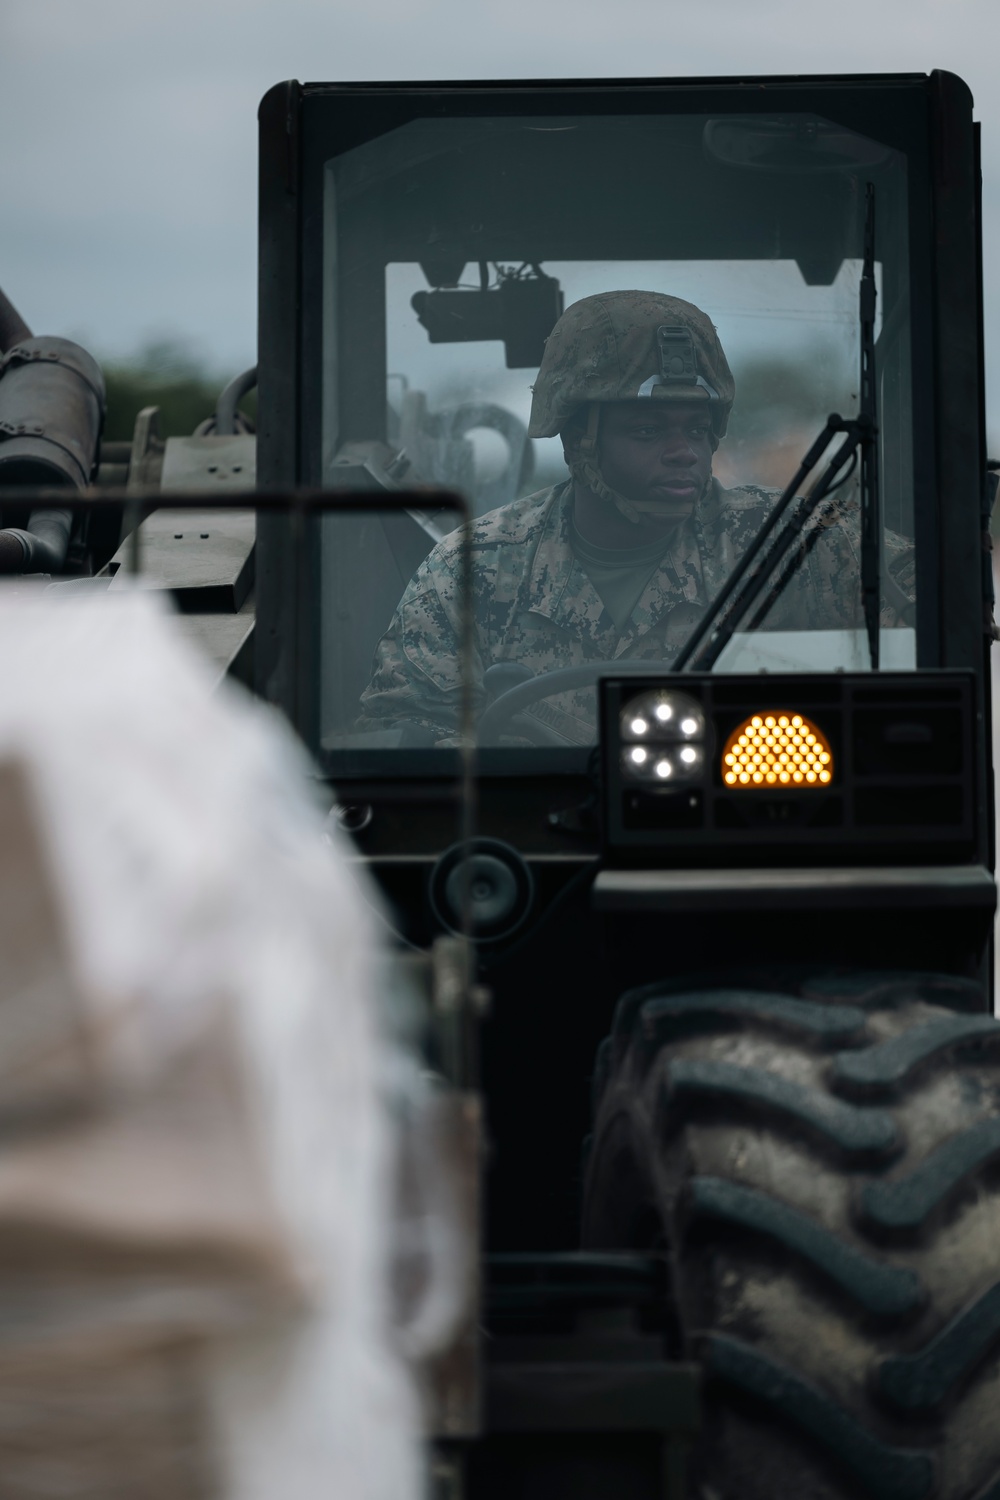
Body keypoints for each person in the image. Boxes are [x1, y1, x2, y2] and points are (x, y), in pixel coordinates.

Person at [359, 290, 914, 745]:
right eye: (648, 431)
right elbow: (402, 734)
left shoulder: (793, 545)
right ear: (580, 439)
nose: (684, 452)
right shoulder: (475, 567)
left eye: (696, 429)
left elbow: (932, 615)